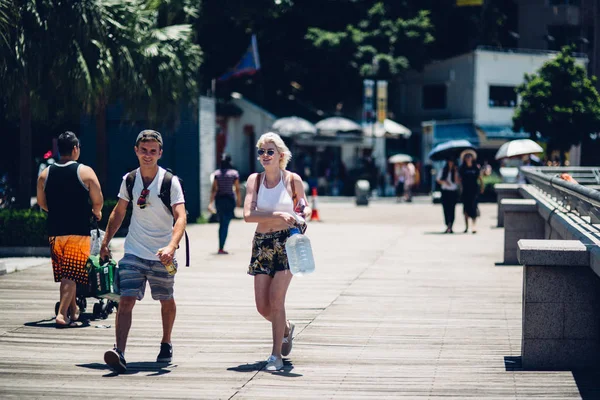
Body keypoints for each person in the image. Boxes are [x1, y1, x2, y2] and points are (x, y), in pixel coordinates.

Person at [100, 130, 186, 374]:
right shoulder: (129, 179)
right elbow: (119, 211)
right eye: (143, 150)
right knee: (125, 300)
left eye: (153, 151)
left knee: (166, 300)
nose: (148, 155)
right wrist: (106, 241)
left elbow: (181, 217)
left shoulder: (170, 182)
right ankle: (120, 352)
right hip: (134, 252)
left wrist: (171, 246)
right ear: (136, 151)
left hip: (162, 254)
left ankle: (166, 341)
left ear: (160, 153)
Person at [243, 132, 312, 371]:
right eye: (261, 151)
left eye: (269, 151)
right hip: (262, 243)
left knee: (276, 299)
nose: (264, 155)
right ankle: (285, 328)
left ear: (280, 155)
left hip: (287, 242)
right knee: (262, 307)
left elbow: (303, 209)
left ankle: (276, 356)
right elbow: (247, 215)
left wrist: (305, 212)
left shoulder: (293, 180)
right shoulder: (254, 180)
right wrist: (275, 215)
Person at [36, 131, 104, 327]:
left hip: (55, 231)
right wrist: (96, 212)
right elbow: (98, 200)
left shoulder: (45, 174)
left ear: (58, 149)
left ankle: (74, 310)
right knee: (71, 274)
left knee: (67, 273)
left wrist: (58, 212)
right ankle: (61, 314)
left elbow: (42, 203)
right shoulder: (85, 172)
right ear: (75, 149)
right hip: (78, 230)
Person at [208, 154, 241, 254]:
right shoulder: (234, 173)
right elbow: (237, 189)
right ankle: (221, 247)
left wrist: (210, 203)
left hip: (219, 200)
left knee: (222, 223)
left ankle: (220, 246)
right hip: (229, 200)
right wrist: (239, 200)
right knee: (225, 224)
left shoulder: (217, 174)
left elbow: (214, 189)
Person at [458, 151, 483, 234]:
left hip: (474, 190)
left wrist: (482, 187)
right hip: (465, 190)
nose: (468, 158)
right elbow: (459, 180)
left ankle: (474, 226)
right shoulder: (462, 168)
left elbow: (480, 178)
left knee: (474, 207)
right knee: (465, 208)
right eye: (467, 157)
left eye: (470, 157)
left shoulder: (476, 167)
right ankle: (466, 226)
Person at [436, 158, 459, 233]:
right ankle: (447, 224)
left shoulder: (456, 170)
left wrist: (455, 171)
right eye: (449, 161)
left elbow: (457, 181)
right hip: (445, 191)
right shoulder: (443, 170)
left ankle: (450, 225)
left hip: (453, 191)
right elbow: (438, 180)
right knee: (446, 208)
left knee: (452, 208)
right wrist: (444, 182)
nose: (451, 163)